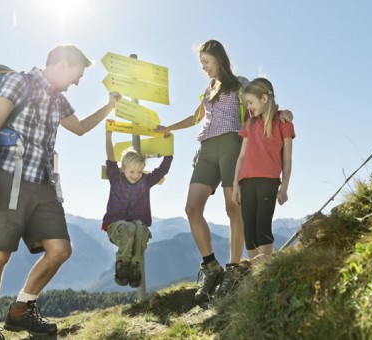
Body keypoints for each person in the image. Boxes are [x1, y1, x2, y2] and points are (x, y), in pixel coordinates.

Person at [0, 44, 120, 340]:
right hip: (8, 179)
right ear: (63, 64)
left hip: (44, 183)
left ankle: (22, 309)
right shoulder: (19, 82)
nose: (76, 82)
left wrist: (109, 106)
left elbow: (78, 128)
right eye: (77, 75)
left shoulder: (58, 100)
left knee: (60, 249)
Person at [156, 40, 292, 301]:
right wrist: (168, 128)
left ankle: (233, 268)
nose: (204, 68)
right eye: (201, 64)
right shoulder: (208, 90)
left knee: (233, 207)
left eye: (206, 62)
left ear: (218, 58)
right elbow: (196, 118)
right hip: (206, 149)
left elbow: (261, 101)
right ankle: (211, 267)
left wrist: (281, 111)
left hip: (232, 143)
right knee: (192, 208)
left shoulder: (240, 83)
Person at [232, 78, 295, 265]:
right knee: (249, 230)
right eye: (246, 103)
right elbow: (241, 157)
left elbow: (287, 158)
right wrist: (235, 184)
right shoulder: (250, 124)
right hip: (246, 182)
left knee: (262, 228)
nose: (248, 107)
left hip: (268, 181)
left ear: (265, 98)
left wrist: (284, 187)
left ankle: (265, 271)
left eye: (251, 102)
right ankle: (256, 273)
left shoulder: (283, 122)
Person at [101, 131, 173, 288]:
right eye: (131, 172)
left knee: (140, 228)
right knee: (129, 227)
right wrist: (108, 136)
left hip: (136, 227)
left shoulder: (145, 182)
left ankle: (135, 266)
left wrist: (168, 151)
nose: (136, 175)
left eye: (139, 172)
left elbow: (162, 170)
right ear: (123, 169)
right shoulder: (116, 178)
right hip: (116, 227)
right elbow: (110, 159)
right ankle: (123, 263)